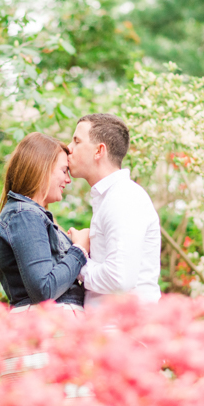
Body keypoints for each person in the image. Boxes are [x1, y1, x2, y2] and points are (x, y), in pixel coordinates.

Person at [66, 113, 161, 307]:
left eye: (77, 141)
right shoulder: (111, 197)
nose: (69, 148)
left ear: (99, 151)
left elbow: (119, 278)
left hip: (124, 331)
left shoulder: (123, 197)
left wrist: (78, 257)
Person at [0, 132, 90, 314]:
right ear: (42, 168)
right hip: (49, 323)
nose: (68, 180)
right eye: (64, 171)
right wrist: (79, 250)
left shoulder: (33, 215)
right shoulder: (24, 215)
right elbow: (44, 290)